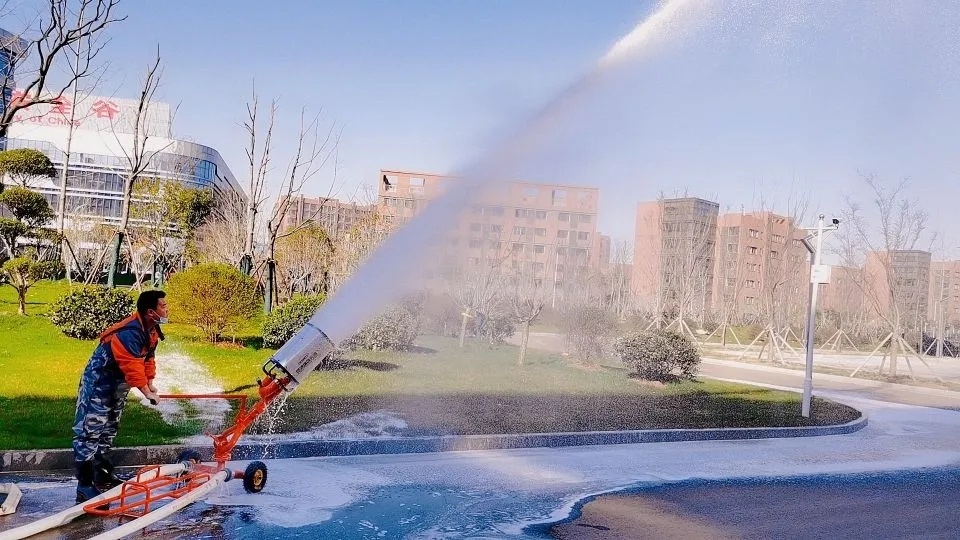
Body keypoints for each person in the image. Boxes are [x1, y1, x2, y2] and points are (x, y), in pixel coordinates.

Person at [72, 290, 167, 503]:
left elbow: (148, 359)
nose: (167, 309)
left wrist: (151, 383)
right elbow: (131, 365)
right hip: (100, 382)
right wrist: (146, 393)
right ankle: (84, 486)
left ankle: (102, 474)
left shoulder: (151, 330)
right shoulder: (129, 332)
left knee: (109, 429)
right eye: (163, 306)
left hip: (118, 384)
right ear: (150, 311)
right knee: (90, 430)